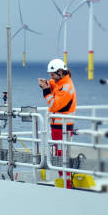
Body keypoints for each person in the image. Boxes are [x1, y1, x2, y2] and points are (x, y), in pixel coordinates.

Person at [38, 58, 77, 187]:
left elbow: (55, 106)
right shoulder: (61, 83)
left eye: (53, 74)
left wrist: (45, 91)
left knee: (61, 157)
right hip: (58, 127)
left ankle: (67, 183)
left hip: (63, 128)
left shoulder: (66, 87)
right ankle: (64, 181)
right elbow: (54, 85)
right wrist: (47, 84)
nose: (51, 77)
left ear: (60, 72)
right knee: (59, 156)